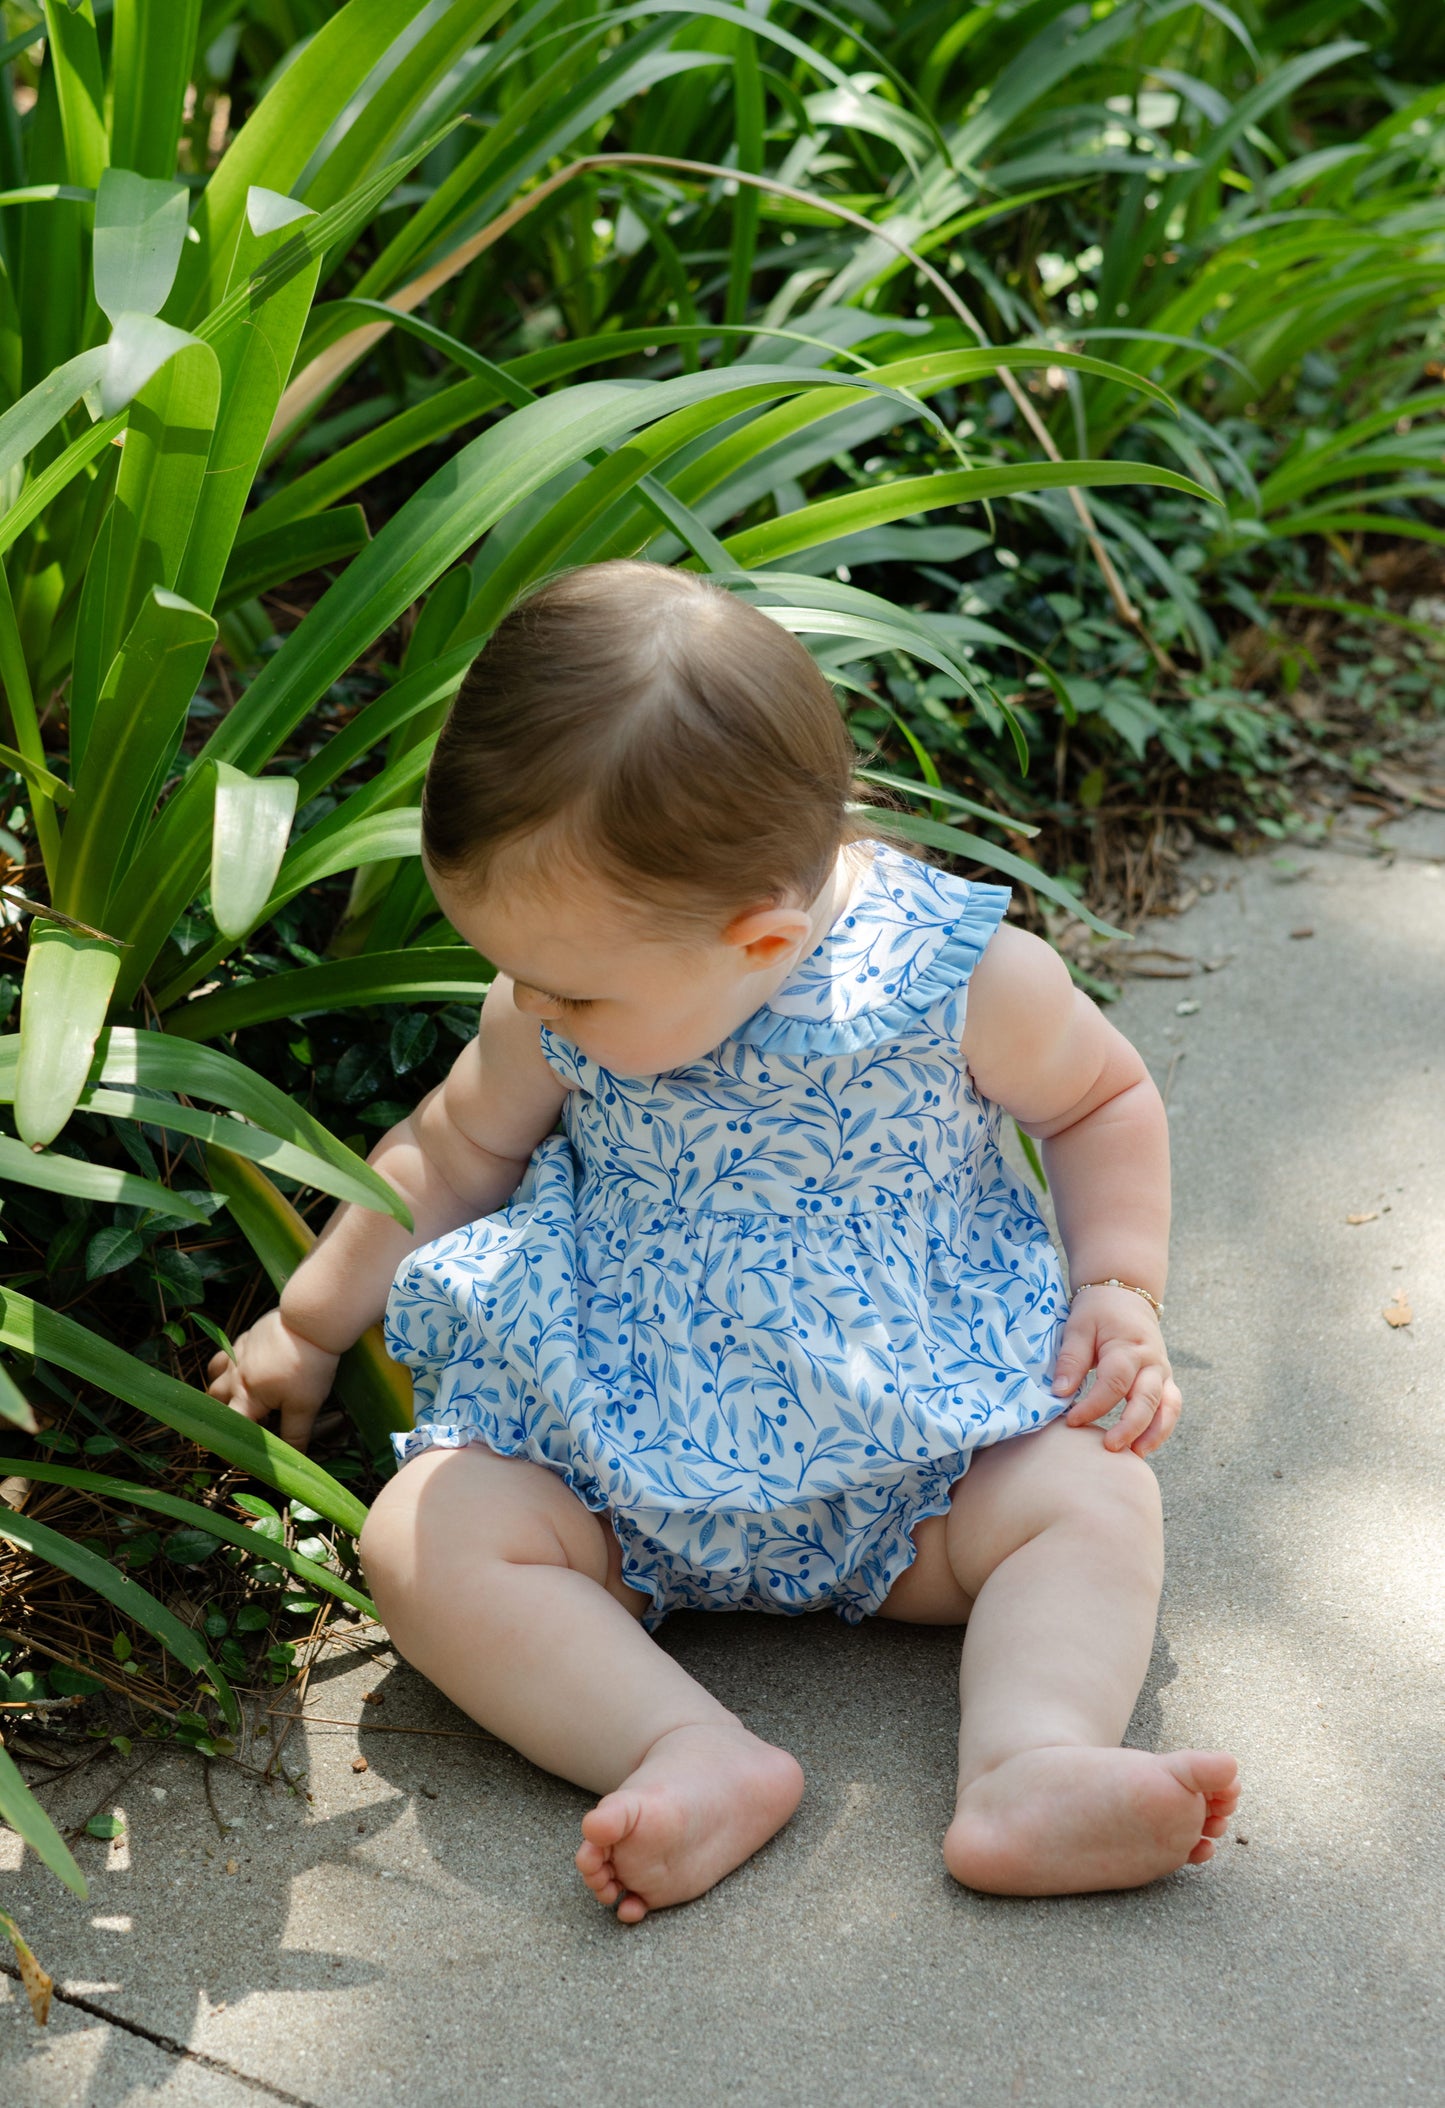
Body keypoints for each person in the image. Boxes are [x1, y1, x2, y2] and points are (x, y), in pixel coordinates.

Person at [208, 560, 1239, 1921]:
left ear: (758, 941)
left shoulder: (962, 982)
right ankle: (682, 1749)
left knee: (1094, 1494)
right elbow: (451, 1151)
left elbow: (1100, 1101)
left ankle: (1033, 1760)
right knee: (423, 1540)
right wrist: (308, 1322)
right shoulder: (559, 1004)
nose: (530, 1006)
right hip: (608, 1462)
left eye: (566, 988)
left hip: (925, 1464)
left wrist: (1117, 1285)